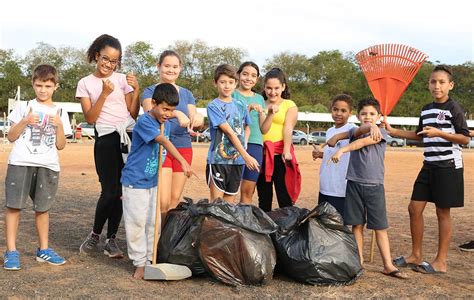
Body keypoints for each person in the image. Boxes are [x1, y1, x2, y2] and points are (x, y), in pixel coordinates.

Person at [384, 65, 470, 274]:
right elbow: (420, 135)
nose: (437, 86)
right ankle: (416, 254)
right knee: (414, 209)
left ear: (450, 85)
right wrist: (394, 131)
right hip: (429, 165)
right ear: (428, 84)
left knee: (442, 212)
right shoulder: (426, 109)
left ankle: (441, 261)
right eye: (433, 82)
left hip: (448, 165)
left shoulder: (454, 108)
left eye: (441, 82)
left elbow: (465, 137)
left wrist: (440, 133)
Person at [121, 83, 195, 279]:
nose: (168, 113)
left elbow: (176, 122)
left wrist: (176, 115)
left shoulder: (166, 121)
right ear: (153, 103)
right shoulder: (145, 121)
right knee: (137, 222)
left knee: (152, 222)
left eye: (171, 110)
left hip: (153, 180)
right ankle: (139, 262)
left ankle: (151, 258)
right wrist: (182, 161)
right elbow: (162, 141)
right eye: (164, 109)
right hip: (135, 181)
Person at [76, 34, 140, 258]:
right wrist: (103, 93)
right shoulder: (85, 83)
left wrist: (136, 90)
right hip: (105, 137)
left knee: (123, 192)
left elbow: (133, 112)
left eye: (114, 61)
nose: (109, 64)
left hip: (128, 135)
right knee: (109, 191)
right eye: (105, 58)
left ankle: (111, 240)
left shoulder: (123, 79)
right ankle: (95, 234)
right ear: (96, 56)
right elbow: (91, 118)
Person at [329, 98, 407, 279]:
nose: (367, 117)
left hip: (374, 186)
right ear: (358, 116)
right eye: (364, 114)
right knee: (356, 224)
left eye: (372, 114)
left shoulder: (381, 133)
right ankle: (359, 261)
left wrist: (342, 150)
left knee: (380, 227)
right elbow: (351, 133)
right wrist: (334, 138)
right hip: (354, 183)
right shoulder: (356, 131)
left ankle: (388, 264)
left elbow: (361, 144)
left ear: (379, 116)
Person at [3, 64, 67, 270]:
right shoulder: (23, 106)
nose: (43, 90)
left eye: (48, 85)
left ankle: (43, 250)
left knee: (42, 208)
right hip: (21, 162)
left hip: (48, 165)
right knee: (14, 206)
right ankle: (11, 251)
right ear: (33, 84)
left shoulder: (60, 111)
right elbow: (11, 136)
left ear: (55, 86)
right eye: (39, 85)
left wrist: (59, 126)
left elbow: (61, 145)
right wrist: (25, 121)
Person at [141, 50, 203, 219]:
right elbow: (150, 113)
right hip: (160, 147)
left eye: (175, 67)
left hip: (183, 146)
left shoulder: (187, 93)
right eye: (167, 66)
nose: (171, 70)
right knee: (163, 201)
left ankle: (167, 241)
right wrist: (176, 114)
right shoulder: (150, 91)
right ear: (158, 66)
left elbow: (193, 118)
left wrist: (197, 119)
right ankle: (157, 240)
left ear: (180, 69)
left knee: (174, 201)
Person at [206, 64, 260, 203]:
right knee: (217, 205)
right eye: (222, 82)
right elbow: (229, 132)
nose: (227, 86)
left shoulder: (240, 104)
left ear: (236, 83)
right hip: (218, 160)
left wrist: (245, 142)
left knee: (229, 205)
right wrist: (246, 155)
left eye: (230, 82)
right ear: (215, 83)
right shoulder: (213, 106)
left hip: (237, 162)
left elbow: (248, 125)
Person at [256, 68, 301, 212]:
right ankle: (265, 230)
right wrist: (269, 113)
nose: (272, 92)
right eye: (269, 88)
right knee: (264, 196)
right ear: (264, 87)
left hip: (281, 154)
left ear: (283, 87)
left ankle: (288, 230)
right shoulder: (261, 104)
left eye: (276, 88)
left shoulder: (289, 105)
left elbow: (288, 128)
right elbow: (264, 129)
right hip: (262, 155)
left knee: (284, 195)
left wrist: (286, 151)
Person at [232, 62, 273, 204]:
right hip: (234, 145)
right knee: (230, 189)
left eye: (253, 76)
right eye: (245, 74)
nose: (249, 78)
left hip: (255, 144)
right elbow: (231, 122)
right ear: (238, 75)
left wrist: (269, 114)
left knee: (248, 191)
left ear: (257, 79)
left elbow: (264, 129)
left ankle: (244, 223)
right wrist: (247, 110)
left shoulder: (260, 98)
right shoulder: (231, 94)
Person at [312, 94, 356, 216]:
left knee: (338, 222)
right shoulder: (330, 131)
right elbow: (331, 155)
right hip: (326, 184)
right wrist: (319, 154)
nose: (338, 113)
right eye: (335, 109)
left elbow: (362, 130)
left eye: (343, 110)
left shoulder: (352, 128)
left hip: (341, 186)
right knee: (324, 220)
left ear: (350, 113)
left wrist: (338, 137)